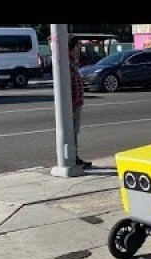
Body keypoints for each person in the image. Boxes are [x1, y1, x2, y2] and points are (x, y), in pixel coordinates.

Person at [68, 36, 92, 168]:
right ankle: (73, 157)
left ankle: (74, 156)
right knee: (72, 132)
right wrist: (74, 107)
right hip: (73, 105)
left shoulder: (72, 62)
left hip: (74, 104)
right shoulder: (68, 63)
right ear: (73, 47)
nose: (80, 49)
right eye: (78, 46)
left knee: (74, 132)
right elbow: (69, 86)